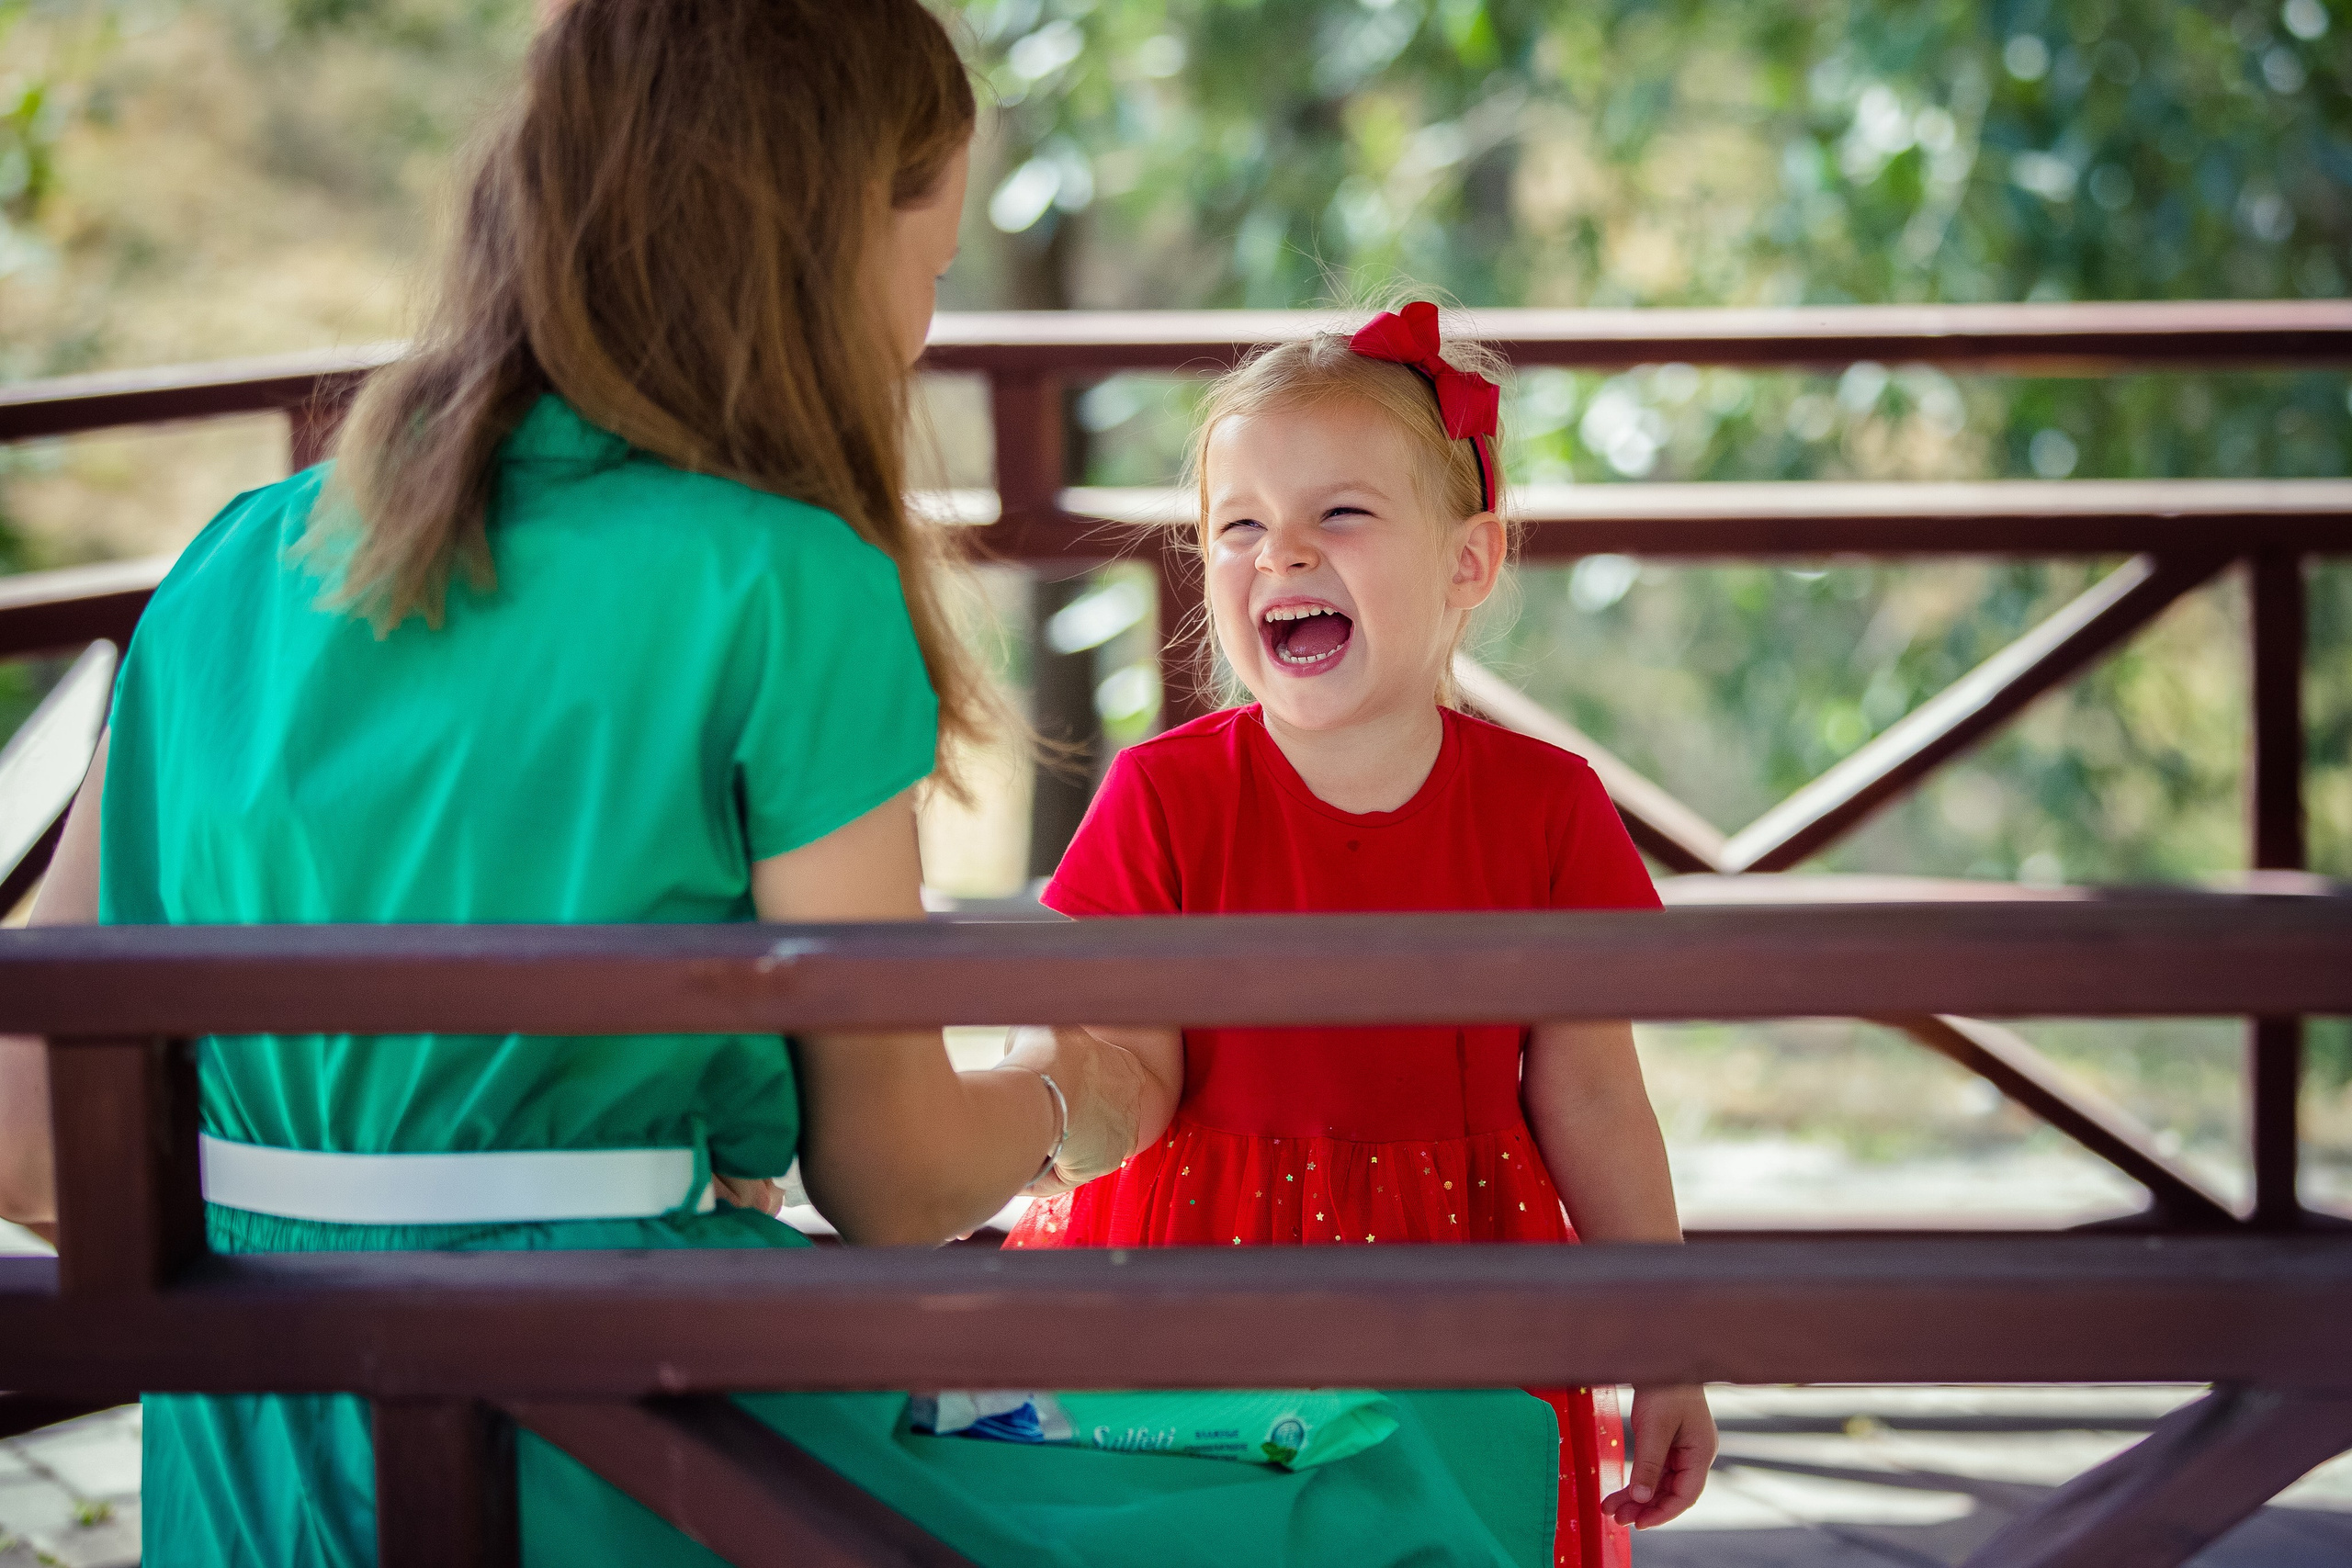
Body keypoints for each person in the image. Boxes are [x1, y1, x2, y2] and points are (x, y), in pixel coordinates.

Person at [0, 8, 1595, 1565]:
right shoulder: (783, 582)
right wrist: (1076, 1099)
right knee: (1399, 1467)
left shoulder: (231, 564)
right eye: (932, 263)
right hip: (631, 1450)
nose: (919, 327)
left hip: (250, 1470)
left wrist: (340, 1242)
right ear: (825, 242)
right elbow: (889, 1178)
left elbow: (25, 1148)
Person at [1004, 302, 1720, 1564]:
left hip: (1462, 1279)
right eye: (1239, 526)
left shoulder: (1543, 806)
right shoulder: (1164, 798)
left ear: (1468, 561)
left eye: (1339, 515)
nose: (1279, 555)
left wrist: (1662, 1343)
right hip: (1194, 1273)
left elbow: (1598, 1100)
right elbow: (1111, 1062)